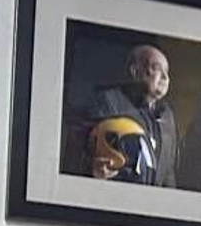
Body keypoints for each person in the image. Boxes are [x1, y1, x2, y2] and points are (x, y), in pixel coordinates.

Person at [63, 43, 179, 187]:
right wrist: (91, 171)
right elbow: (76, 150)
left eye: (167, 71)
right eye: (156, 68)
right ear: (135, 72)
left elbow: (169, 173)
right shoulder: (108, 102)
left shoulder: (167, 116)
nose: (165, 77)